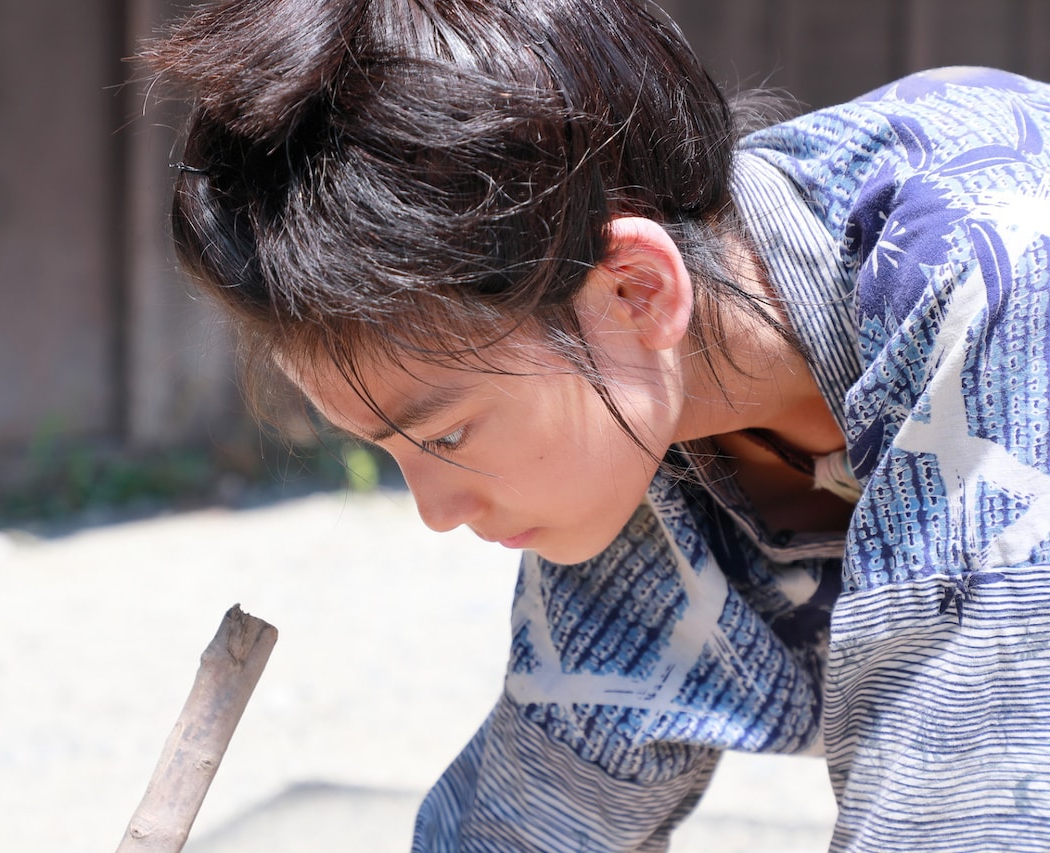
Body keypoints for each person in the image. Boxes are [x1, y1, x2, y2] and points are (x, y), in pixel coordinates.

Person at [141, 0, 1050, 849]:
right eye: (385, 451)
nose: (436, 509)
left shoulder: (1004, 277)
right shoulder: (644, 405)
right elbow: (539, 811)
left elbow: (961, 815)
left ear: (636, 288)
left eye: (448, 435)